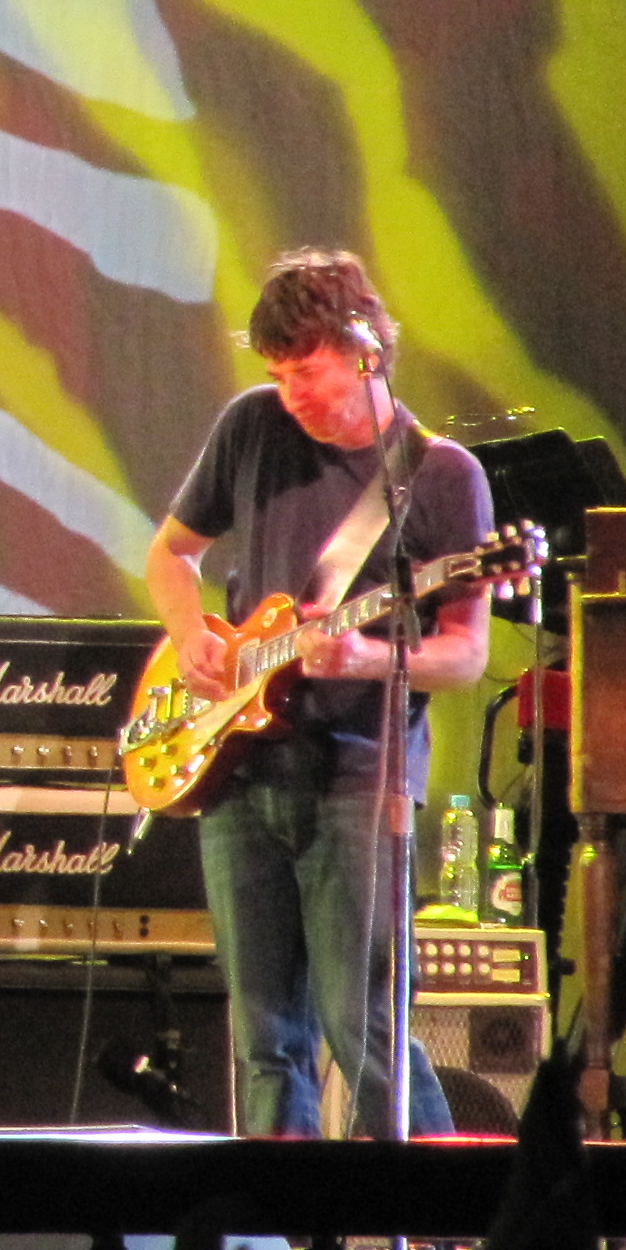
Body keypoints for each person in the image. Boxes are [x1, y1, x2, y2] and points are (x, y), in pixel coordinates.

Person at [143, 248, 490, 1138]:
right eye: (276, 373)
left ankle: (450, 1212)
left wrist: (367, 659)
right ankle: (282, 1217)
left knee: (364, 1029)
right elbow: (171, 554)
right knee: (264, 1038)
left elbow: (464, 655)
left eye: (306, 370)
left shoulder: (442, 476)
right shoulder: (252, 426)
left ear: (365, 350)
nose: (289, 393)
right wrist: (190, 638)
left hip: (359, 776)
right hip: (240, 765)